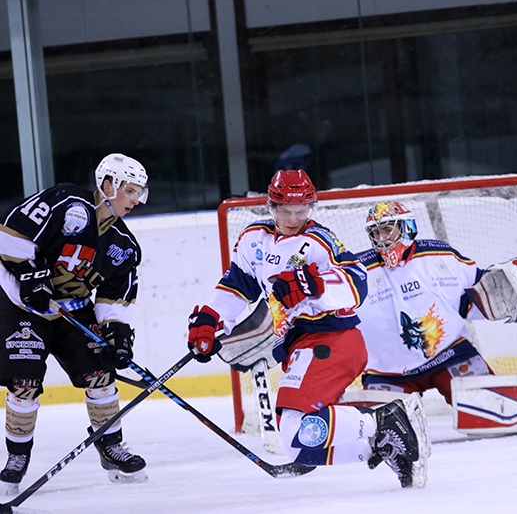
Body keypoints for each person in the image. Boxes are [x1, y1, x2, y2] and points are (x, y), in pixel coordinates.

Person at [187, 170, 429, 488]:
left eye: (301, 210)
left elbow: (357, 282)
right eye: (285, 210)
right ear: (271, 207)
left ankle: (383, 420)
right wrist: (210, 320)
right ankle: (382, 445)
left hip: (332, 339)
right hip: (299, 346)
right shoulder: (253, 239)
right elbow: (236, 287)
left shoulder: (319, 241)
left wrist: (313, 284)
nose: (293, 218)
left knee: (295, 428)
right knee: (300, 444)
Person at [0, 153, 150, 493]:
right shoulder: (66, 202)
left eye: (139, 192)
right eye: (129, 190)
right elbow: (10, 232)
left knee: (101, 374)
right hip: (23, 306)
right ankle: (17, 457)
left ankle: (111, 446)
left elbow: (115, 297)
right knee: (24, 383)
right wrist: (30, 276)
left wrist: (117, 334)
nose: (135, 200)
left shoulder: (123, 246)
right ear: (107, 185)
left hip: (74, 309)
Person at [353, 201, 517, 433]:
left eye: (387, 230)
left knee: (495, 421)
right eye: (376, 233)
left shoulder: (440, 255)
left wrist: (504, 287)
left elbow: (475, 295)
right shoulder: (358, 271)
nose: (381, 238)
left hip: (450, 355)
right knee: (382, 438)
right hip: (388, 371)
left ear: (406, 227)